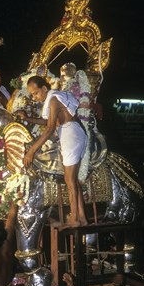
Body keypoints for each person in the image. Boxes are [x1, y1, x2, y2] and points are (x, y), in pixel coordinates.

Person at [18, 75, 88, 229]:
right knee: (73, 180)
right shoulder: (53, 101)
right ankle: (82, 218)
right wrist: (28, 119)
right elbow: (48, 121)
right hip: (73, 133)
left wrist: (32, 151)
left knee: (69, 180)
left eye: (36, 93)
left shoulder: (54, 100)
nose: (34, 97)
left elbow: (50, 129)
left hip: (70, 133)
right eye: (32, 95)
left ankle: (74, 219)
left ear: (44, 89)